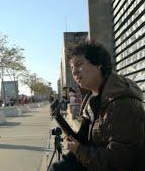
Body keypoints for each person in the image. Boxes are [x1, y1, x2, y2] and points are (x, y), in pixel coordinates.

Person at [50, 41, 145, 170]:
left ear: (98, 63)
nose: (74, 72)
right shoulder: (92, 99)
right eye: (72, 68)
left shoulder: (122, 103)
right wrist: (67, 129)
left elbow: (119, 162)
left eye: (79, 64)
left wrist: (79, 150)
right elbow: (88, 142)